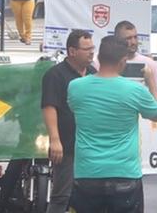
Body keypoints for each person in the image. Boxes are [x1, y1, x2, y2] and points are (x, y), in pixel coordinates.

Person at [68, 35, 157, 213]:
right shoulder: (135, 90)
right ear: (123, 61)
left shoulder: (75, 87)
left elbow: (75, 109)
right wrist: (151, 83)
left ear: (98, 58)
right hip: (125, 173)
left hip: (87, 173)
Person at [42, 30, 96, 213]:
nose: (91, 52)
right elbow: (49, 107)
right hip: (67, 146)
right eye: (86, 49)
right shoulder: (55, 75)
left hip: (91, 146)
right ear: (72, 51)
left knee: (89, 195)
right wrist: (55, 140)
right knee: (61, 195)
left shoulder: (93, 73)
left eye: (93, 48)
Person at [113, 20, 157, 97]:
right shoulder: (106, 62)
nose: (133, 42)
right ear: (117, 39)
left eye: (135, 37)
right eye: (128, 38)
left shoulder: (150, 64)